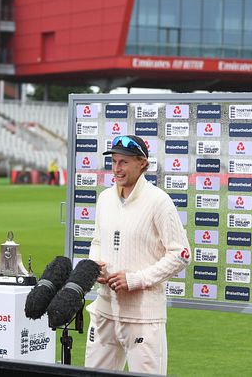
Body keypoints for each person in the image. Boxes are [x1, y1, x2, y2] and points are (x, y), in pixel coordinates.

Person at [85, 135, 191, 375]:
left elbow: (181, 254)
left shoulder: (159, 201)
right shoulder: (104, 198)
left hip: (143, 318)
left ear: (142, 163)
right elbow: (98, 240)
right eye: (113, 161)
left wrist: (136, 279)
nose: (117, 168)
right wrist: (96, 266)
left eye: (123, 162)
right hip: (104, 311)